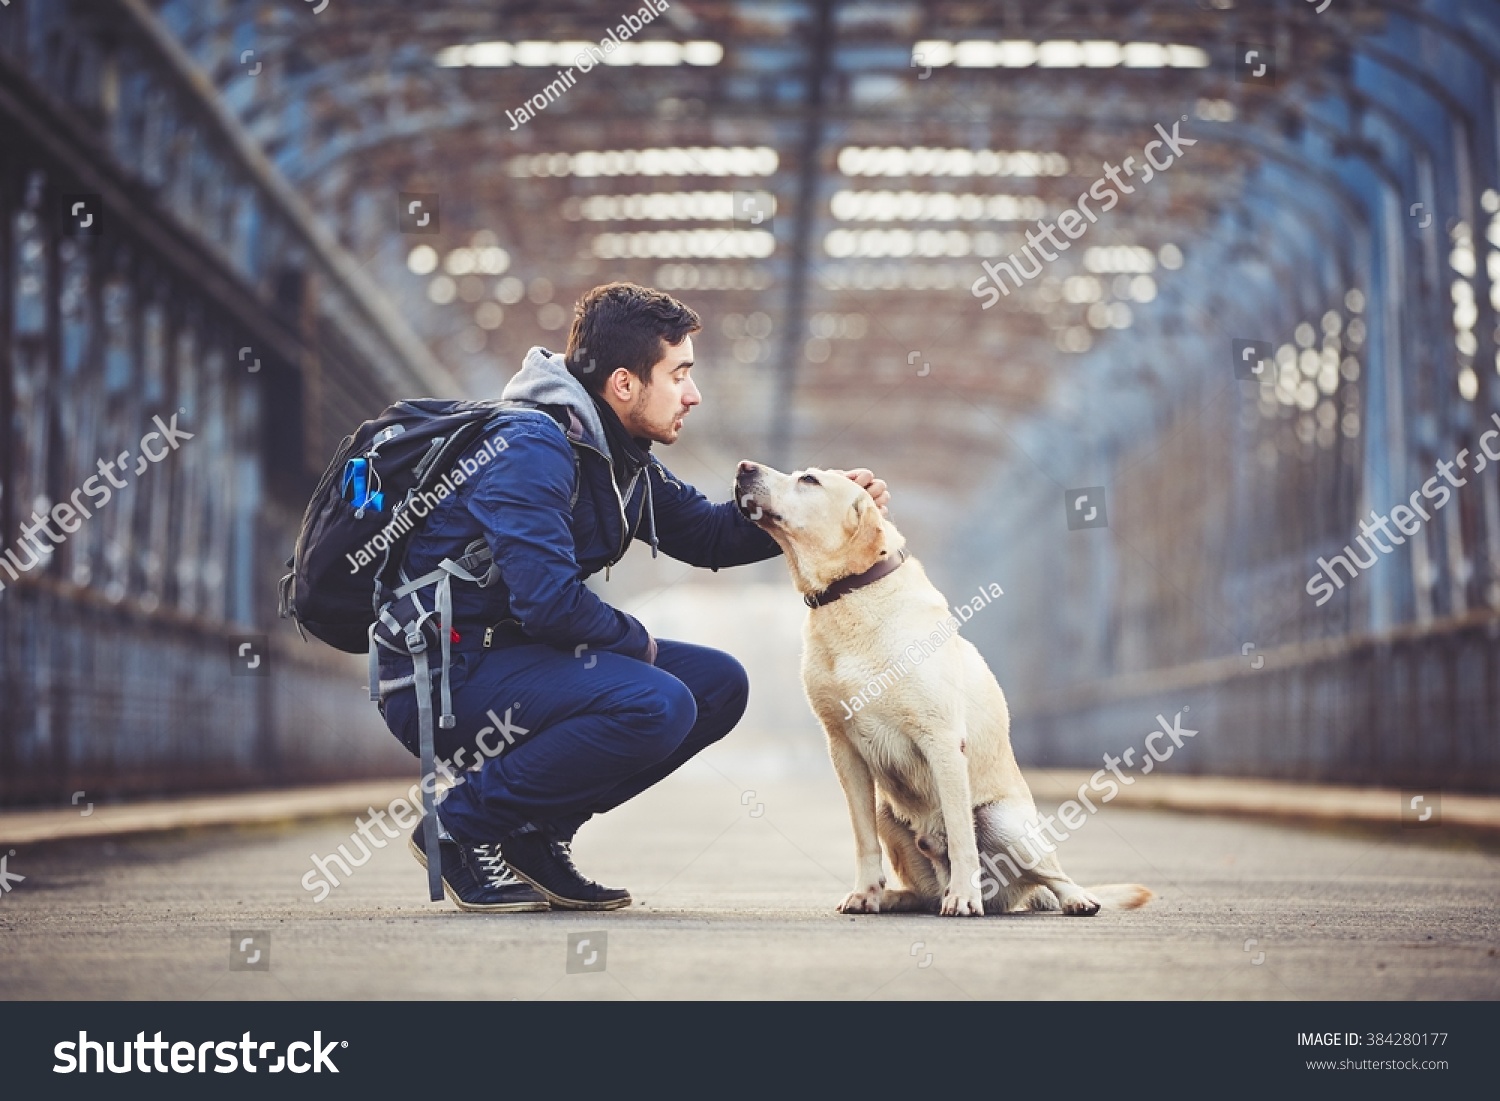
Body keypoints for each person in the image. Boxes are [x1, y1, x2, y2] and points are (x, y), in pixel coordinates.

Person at [378, 282, 891, 911]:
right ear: (624, 384)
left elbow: (706, 533)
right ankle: (460, 827)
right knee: (657, 702)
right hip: (445, 676)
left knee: (717, 684)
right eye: (679, 374)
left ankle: (536, 836)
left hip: (516, 660)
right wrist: (638, 643)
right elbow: (548, 602)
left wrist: (804, 508)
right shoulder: (529, 448)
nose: (693, 394)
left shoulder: (619, 457)